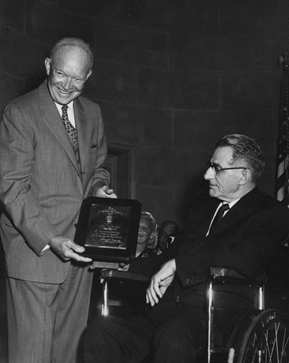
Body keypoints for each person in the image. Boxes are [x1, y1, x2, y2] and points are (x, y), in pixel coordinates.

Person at [83, 134, 289, 363]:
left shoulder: (271, 213)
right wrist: (122, 262)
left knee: (173, 337)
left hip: (219, 318)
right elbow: (171, 254)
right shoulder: (203, 207)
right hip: (168, 312)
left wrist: (178, 265)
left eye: (216, 168)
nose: (207, 175)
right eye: (209, 166)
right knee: (102, 330)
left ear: (244, 175)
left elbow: (245, 258)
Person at [0, 37, 117, 363]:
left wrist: (99, 190)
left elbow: (98, 168)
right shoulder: (20, 113)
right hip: (36, 251)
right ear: (48, 66)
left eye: (77, 78)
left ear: (89, 75)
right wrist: (51, 238)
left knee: (67, 355)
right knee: (32, 355)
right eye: (61, 74)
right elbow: (12, 188)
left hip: (80, 255)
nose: (67, 85)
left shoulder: (92, 113)